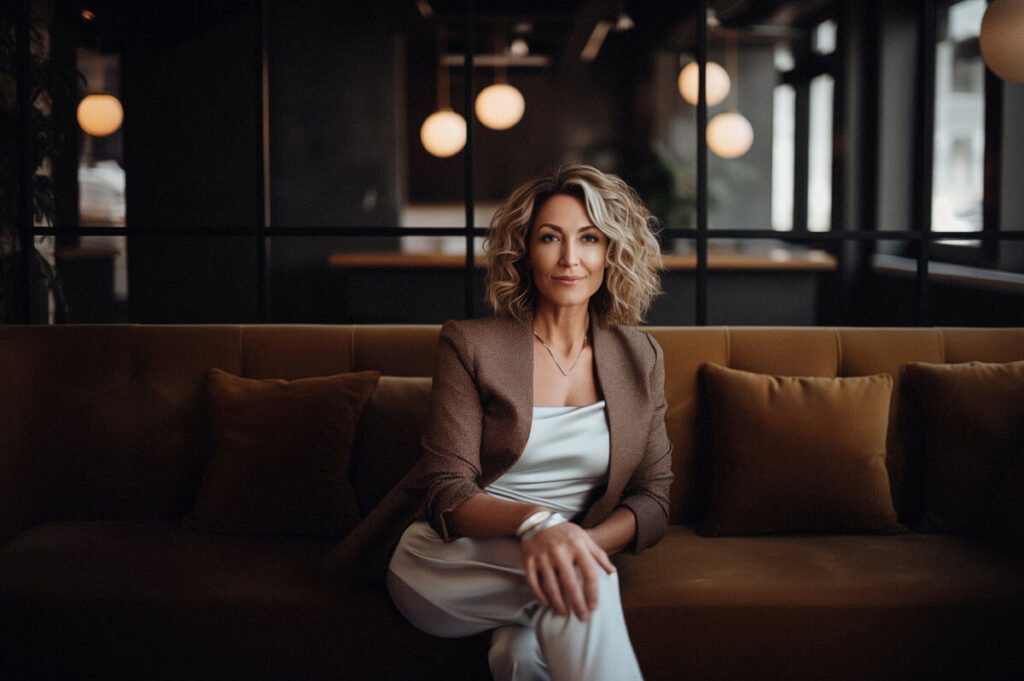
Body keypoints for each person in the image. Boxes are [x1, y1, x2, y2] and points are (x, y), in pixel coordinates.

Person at [382, 164, 674, 681]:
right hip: (449, 559)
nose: (569, 258)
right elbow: (447, 489)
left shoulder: (640, 355)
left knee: (518, 654)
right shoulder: (471, 344)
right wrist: (540, 526)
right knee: (584, 578)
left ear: (611, 252)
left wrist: (577, 542)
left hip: (559, 554)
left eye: (589, 238)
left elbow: (654, 496)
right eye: (550, 237)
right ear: (524, 251)